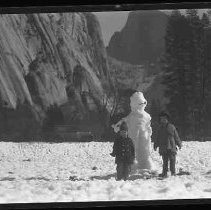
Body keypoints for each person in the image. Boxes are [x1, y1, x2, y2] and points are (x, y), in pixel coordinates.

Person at [153, 111, 182, 178]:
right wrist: (155, 145)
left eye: (164, 119)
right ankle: (164, 173)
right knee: (165, 161)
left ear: (167, 119)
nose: (163, 120)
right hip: (163, 147)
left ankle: (173, 172)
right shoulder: (160, 128)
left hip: (171, 147)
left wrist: (179, 144)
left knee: (172, 160)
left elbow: (176, 136)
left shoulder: (171, 127)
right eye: (161, 119)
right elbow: (157, 138)